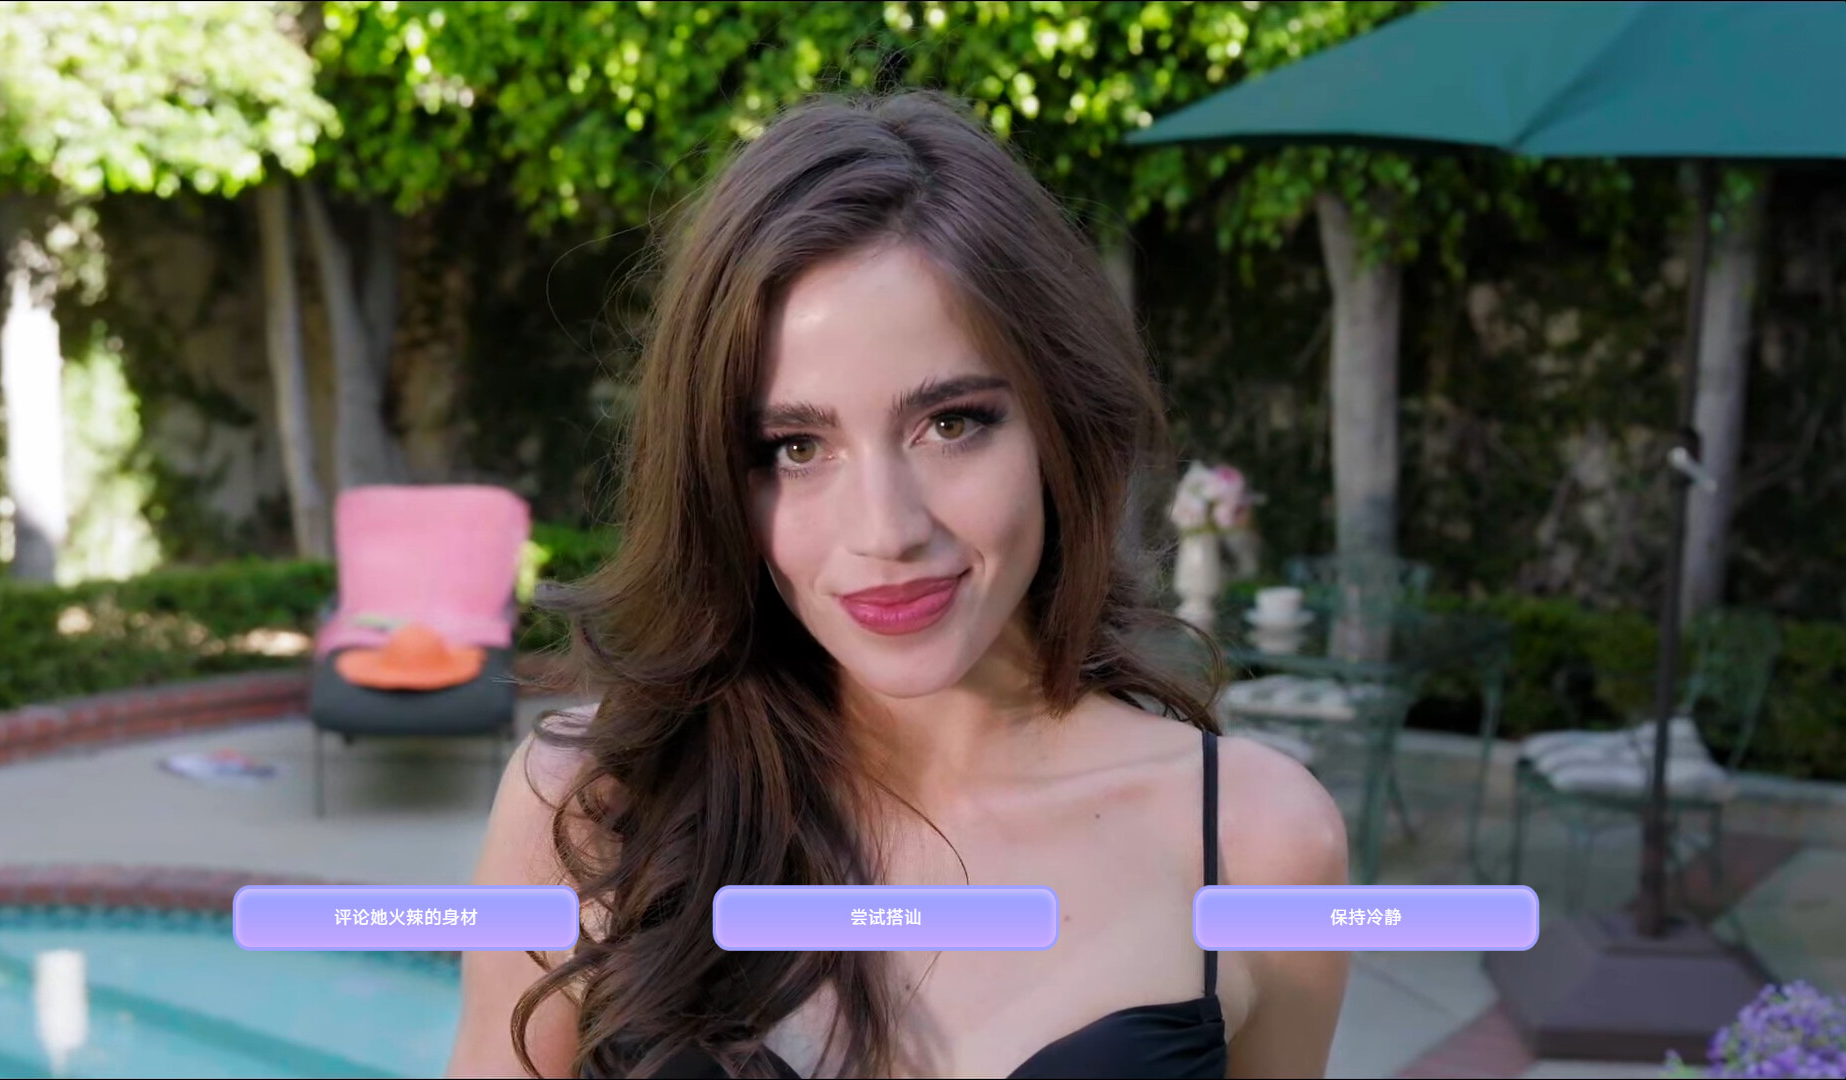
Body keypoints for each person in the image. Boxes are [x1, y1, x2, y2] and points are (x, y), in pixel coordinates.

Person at [446, 90, 1349, 1080]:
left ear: (1060, 424)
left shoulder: (1260, 842)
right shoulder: (590, 806)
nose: (887, 530)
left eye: (951, 424)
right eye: (794, 446)